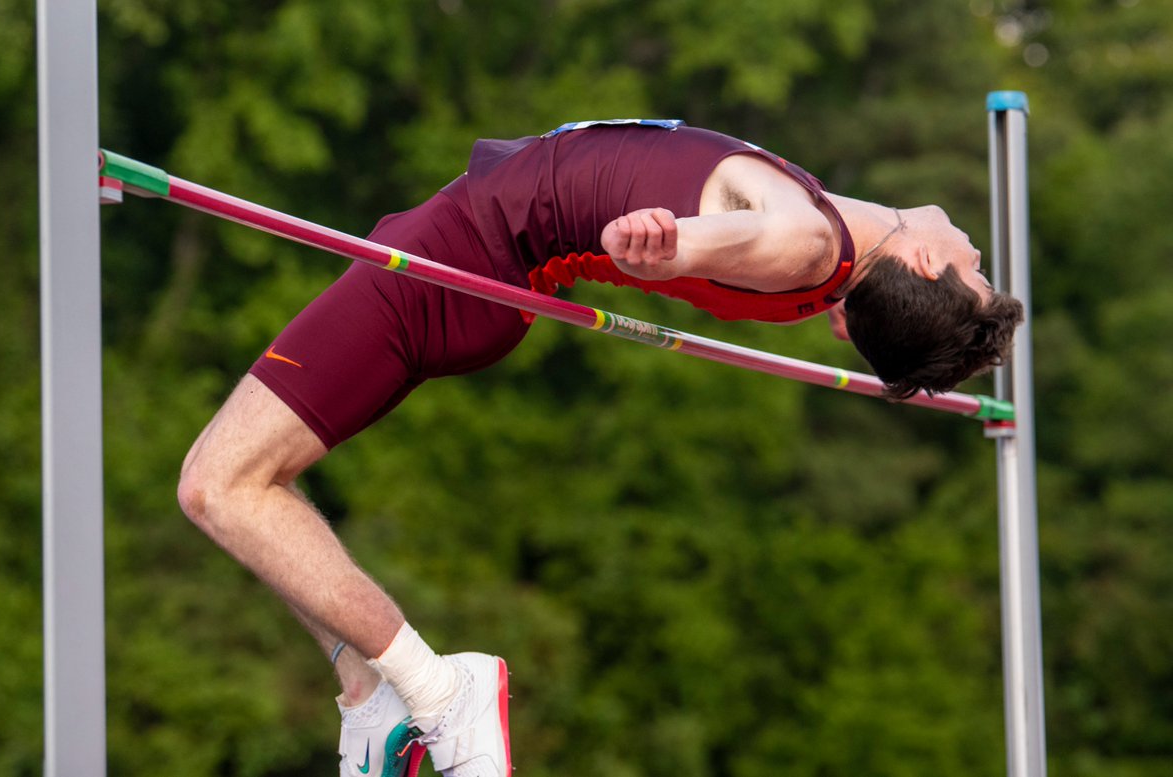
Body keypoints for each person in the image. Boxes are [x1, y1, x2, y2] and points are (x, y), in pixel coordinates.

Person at [177, 120, 1023, 777]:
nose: (975, 250)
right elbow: (839, 267)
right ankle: (367, 693)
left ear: (921, 260)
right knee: (261, 479)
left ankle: (440, 691)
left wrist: (671, 242)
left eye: (974, 268)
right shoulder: (842, 268)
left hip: (455, 260)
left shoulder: (808, 241)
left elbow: (752, 237)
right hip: (466, 250)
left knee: (222, 485)